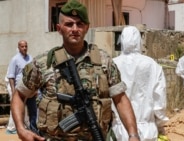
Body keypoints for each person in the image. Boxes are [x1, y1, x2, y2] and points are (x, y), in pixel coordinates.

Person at [11, 0, 139, 141]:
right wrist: (21, 129)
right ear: (59, 28)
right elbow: (19, 95)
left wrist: (133, 134)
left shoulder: (104, 61)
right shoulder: (43, 63)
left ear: (87, 27)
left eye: (80, 24)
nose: (75, 29)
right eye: (69, 24)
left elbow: (120, 99)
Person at [111, 26, 169, 141]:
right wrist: (160, 124)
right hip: (147, 130)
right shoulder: (152, 65)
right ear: (139, 40)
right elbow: (159, 101)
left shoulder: (112, 64)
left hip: (119, 130)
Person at [5, 40, 38, 134]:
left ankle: (33, 130)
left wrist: (35, 89)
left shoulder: (30, 58)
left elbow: (35, 74)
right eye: (22, 46)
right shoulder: (14, 59)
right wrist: (13, 91)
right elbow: (11, 76)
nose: (24, 48)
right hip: (20, 90)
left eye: (26, 46)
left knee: (33, 110)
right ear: (19, 47)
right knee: (19, 110)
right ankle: (15, 129)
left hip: (30, 89)